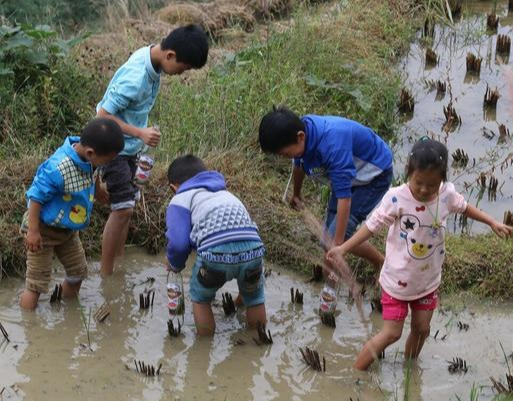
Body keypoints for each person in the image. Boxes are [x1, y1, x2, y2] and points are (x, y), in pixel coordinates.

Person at [327, 138, 513, 370]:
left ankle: (409, 371)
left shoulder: (446, 195)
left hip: (427, 281)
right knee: (391, 334)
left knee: (422, 329)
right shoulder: (396, 198)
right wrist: (343, 247)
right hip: (397, 280)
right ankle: (356, 372)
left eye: (432, 185)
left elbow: (464, 207)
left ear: (442, 180)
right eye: (419, 183)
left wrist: (492, 221)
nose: (424, 190)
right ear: (409, 174)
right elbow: (371, 226)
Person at [258, 106, 393, 319]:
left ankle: (380, 262)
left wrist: (338, 247)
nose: (285, 158)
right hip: (347, 177)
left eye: (284, 153)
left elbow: (345, 198)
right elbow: (298, 164)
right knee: (327, 239)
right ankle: (344, 259)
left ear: (300, 137)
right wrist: (297, 193)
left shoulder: (332, 144)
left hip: (372, 176)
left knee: (341, 237)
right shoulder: (302, 136)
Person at [96, 24, 209, 276]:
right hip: (113, 147)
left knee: (128, 206)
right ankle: (106, 274)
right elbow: (102, 117)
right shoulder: (136, 77)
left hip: (130, 148)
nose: (181, 74)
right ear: (170, 55)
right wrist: (139, 132)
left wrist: (139, 137)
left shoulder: (153, 61)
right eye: (183, 68)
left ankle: (120, 262)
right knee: (122, 208)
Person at [20, 118, 124, 309]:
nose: (108, 164)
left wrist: (99, 190)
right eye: (108, 160)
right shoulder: (59, 168)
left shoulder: (90, 159)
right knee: (36, 283)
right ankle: (29, 326)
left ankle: (66, 311)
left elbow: (94, 172)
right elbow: (35, 196)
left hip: (67, 231)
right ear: (91, 153)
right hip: (43, 231)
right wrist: (33, 231)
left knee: (78, 273)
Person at [165, 155, 266, 336]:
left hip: (215, 254)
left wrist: (175, 265)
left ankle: (204, 346)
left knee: (201, 299)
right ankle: (257, 342)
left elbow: (178, 244)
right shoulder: (226, 194)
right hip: (253, 249)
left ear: (174, 187)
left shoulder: (180, 198)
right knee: (256, 298)